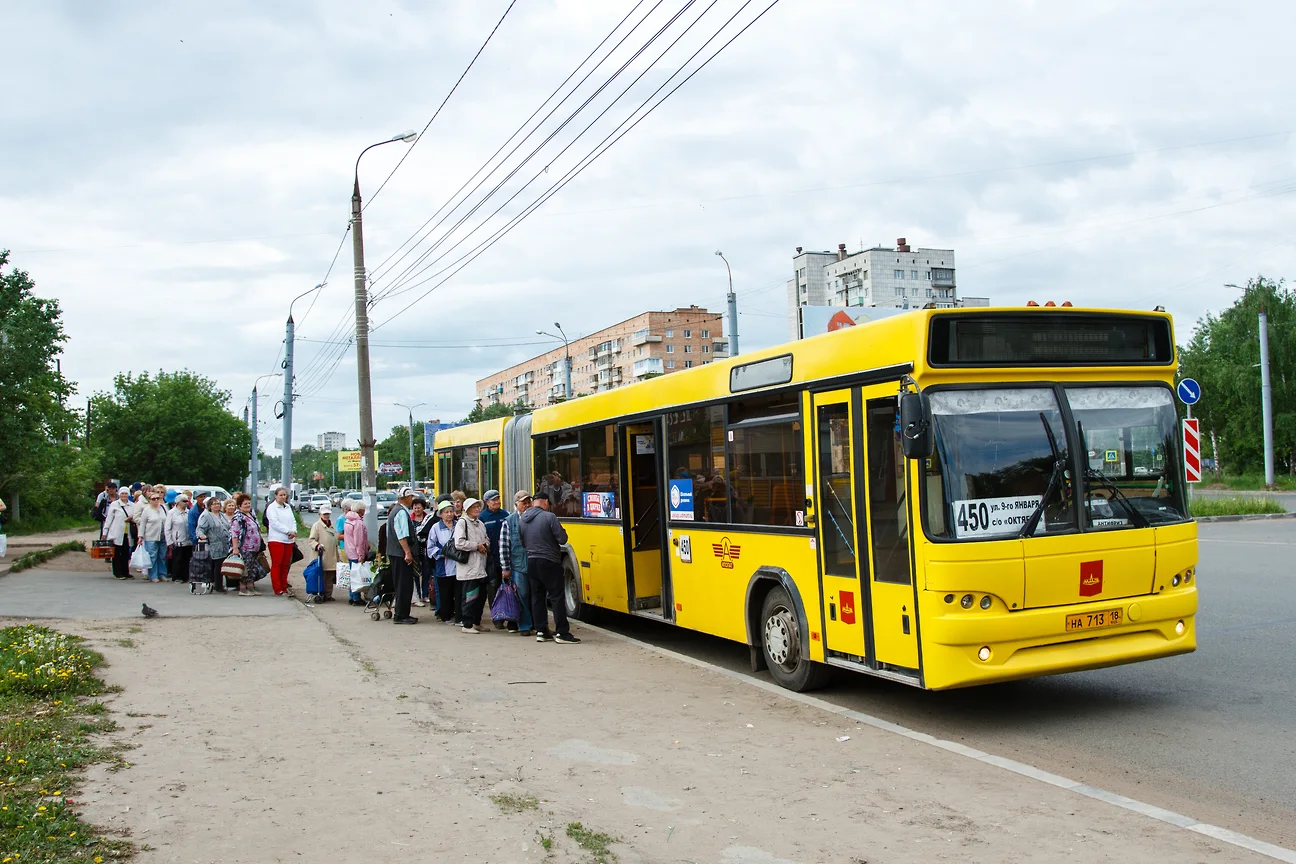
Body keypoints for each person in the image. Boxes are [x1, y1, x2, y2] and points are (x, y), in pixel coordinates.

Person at [517, 489, 580, 644]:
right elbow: (563, 539)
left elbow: (522, 542)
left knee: (537, 597)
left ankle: (541, 631)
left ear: (533, 503)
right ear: (545, 502)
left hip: (531, 561)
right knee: (557, 596)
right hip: (549, 561)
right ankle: (562, 633)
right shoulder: (549, 517)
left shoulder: (523, 519)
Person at [498, 490, 534, 635]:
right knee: (522, 595)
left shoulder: (535, 518)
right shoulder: (509, 521)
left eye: (528, 503)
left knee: (536, 595)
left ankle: (536, 624)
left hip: (534, 563)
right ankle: (525, 625)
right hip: (518, 565)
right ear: (516, 505)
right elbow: (504, 547)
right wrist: (505, 568)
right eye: (523, 503)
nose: (526, 505)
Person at [452, 497, 490, 634]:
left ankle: (476, 622)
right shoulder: (462, 523)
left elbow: (486, 539)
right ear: (467, 509)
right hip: (468, 567)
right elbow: (459, 543)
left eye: (478, 507)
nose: (477, 509)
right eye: (474, 507)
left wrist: (485, 545)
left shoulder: (480, 523)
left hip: (481, 566)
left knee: (480, 597)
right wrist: (476, 546)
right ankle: (467, 624)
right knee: (470, 596)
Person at [386, 487, 417, 625]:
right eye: (411, 497)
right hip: (400, 554)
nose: (412, 499)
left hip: (395, 553)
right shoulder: (401, 513)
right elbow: (402, 534)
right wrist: (408, 552)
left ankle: (402, 613)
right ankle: (401, 615)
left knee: (401, 584)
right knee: (404, 585)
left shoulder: (396, 511)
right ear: (406, 497)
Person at [228, 493, 267, 596]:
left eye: (249, 503)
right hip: (245, 547)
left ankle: (251, 588)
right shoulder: (238, 518)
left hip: (255, 548)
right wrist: (235, 548)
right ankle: (243, 589)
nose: (248, 505)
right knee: (245, 569)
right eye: (245, 504)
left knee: (252, 569)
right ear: (239, 506)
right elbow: (234, 534)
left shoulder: (251, 515)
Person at [479, 490, 509, 624]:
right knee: (493, 588)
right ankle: (497, 617)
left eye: (498, 499)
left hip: (505, 559)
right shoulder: (482, 518)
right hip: (490, 560)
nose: (497, 502)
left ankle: (508, 614)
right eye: (493, 500)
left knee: (507, 588)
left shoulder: (506, 515)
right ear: (486, 502)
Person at [427, 500, 459, 623]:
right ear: (440, 514)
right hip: (443, 566)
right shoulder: (435, 528)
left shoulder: (458, 525)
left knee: (458, 591)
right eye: (446, 512)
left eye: (451, 511)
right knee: (445, 592)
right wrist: (443, 554)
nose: (449, 514)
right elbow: (430, 547)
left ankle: (458, 615)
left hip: (458, 565)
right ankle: (446, 615)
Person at [264, 485, 297, 596]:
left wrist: (294, 531)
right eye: (281, 495)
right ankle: (277, 588)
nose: (283, 497)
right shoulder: (272, 508)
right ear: (276, 496)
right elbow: (274, 523)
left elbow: (293, 520)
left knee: (285, 564)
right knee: (277, 564)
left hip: (288, 540)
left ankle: (284, 586)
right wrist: (288, 531)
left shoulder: (287, 507)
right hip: (276, 539)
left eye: (284, 495)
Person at [196, 495, 230, 591]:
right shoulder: (206, 515)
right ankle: (218, 585)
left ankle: (223, 584)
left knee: (224, 564)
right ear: (210, 506)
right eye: (214, 504)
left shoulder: (222, 515)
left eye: (218, 504)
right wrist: (201, 535)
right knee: (218, 565)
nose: (217, 506)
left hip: (225, 543)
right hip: (214, 543)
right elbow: (200, 529)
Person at [308, 504, 342, 601]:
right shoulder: (317, 526)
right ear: (320, 514)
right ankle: (321, 594)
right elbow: (311, 540)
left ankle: (328, 595)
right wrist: (317, 545)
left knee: (330, 577)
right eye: (324, 514)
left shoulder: (330, 525)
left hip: (331, 556)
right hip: (321, 556)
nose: (326, 516)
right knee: (321, 576)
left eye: (328, 514)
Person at [136, 488, 168, 583]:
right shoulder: (147, 510)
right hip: (151, 536)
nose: (156, 500)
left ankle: (162, 574)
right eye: (153, 499)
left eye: (157, 498)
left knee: (162, 556)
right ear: (149, 500)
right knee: (152, 556)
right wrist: (140, 536)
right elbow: (142, 524)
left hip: (163, 536)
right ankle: (153, 575)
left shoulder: (163, 508)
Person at [342, 500, 370, 606]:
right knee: (357, 576)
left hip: (349, 551)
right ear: (361, 510)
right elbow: (359, 541)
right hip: (355, 552)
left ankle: (352, 596)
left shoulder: (348, 521)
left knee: (352, 575)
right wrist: (361, 555)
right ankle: (356, 598)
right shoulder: (358, 523)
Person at [104, 487, 134, 580]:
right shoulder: (115, 504)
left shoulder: (132, 505)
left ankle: (126, 572)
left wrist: (131, 518)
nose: (124, 495)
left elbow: (135, 516)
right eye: (122, 494)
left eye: (126, 494)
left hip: (127, 533)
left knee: (126, 553)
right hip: (116, 533)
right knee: (116, 554)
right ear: (119, 494)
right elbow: (109, 519)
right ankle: (117, 573)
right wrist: (105, 532)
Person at [409, 497, 432, 608]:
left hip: (426, 550)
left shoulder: (428, 518)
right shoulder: (410, 519)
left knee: (426, 572)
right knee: (416, 573)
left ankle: (425, 594)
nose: (417, 509)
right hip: (415, 550)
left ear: (423, 507)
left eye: (419, 507)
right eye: (415, 507)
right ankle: (418, 594)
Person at [165, 494, 193, 583]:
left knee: (186, 559)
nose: (186, 503)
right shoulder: (171, 513)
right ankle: (176, 576)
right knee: (177, 559)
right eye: (184, 501)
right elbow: (167, 528)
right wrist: (169, 541)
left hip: (188, 540)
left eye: (187, 501)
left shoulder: (188, 512)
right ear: (178, 502)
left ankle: (185, 576)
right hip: (177, 540)